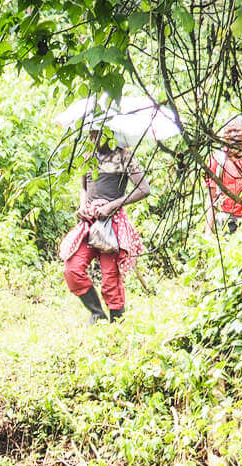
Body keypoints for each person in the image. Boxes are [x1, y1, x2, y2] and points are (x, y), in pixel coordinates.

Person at [59, 125, 150, 323]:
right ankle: (97, 314)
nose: (94, 138)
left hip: (112, 224)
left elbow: (144, 189)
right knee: (72, 268)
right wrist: (83, 205)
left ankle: (117, 325)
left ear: (111, 134)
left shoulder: (125, 156)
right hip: (89, 222)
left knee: (110, 278)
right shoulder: (88, 156)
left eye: (99, 134)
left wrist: (113, 206)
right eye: (92, 134)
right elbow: (84, 187)